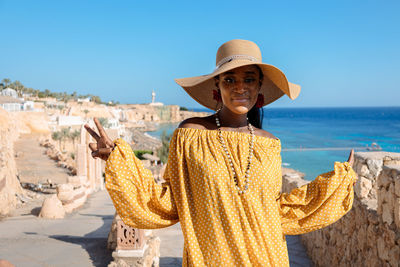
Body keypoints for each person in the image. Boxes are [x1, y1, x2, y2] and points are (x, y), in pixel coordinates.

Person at [85, 39, 357, 266]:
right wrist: (118, 160)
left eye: (249, 79)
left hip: (268, 258)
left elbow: (276, 211)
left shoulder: (269, 144)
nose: (240, 87)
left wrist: (336, 184)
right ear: (217, 86)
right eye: (230, 79)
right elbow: (169, 202)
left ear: (259, 86)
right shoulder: (190, 135)